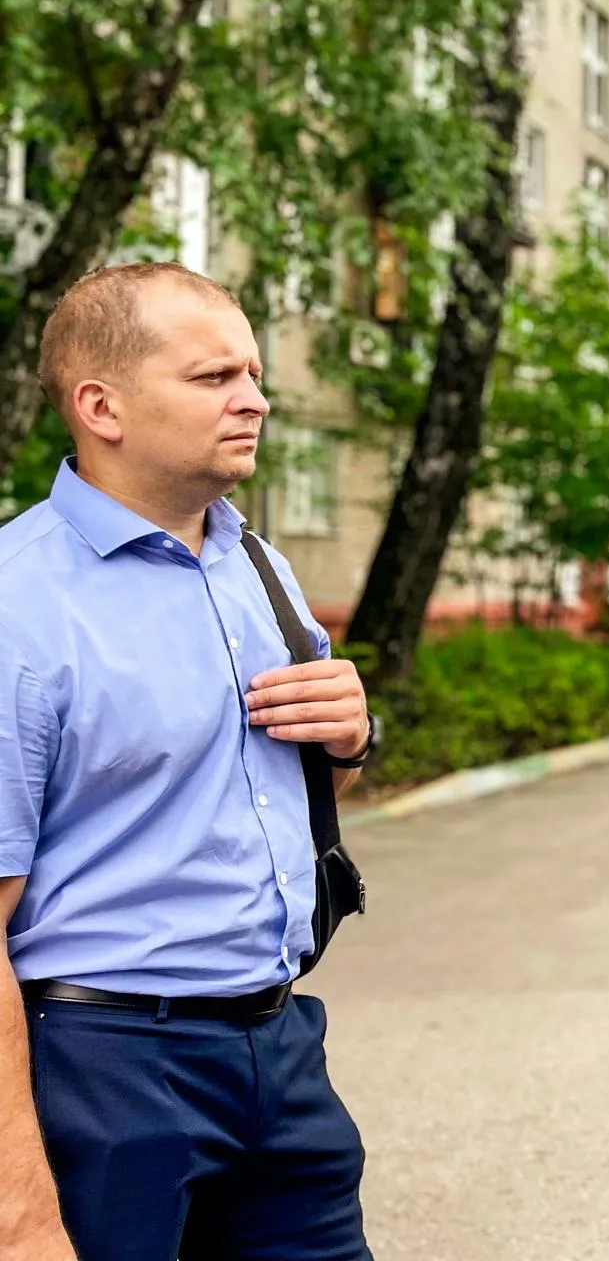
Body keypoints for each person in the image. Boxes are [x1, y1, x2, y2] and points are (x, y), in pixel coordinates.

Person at [0, 263, 379, 1260]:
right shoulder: (17, 606)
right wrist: (22, 1212)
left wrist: (348, 738)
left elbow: (286, 791)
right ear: (101, 407)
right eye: (215, 377)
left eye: (254, 375)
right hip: (102, 1068)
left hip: (279, 1051)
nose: (254, 399)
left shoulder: (257, 563)